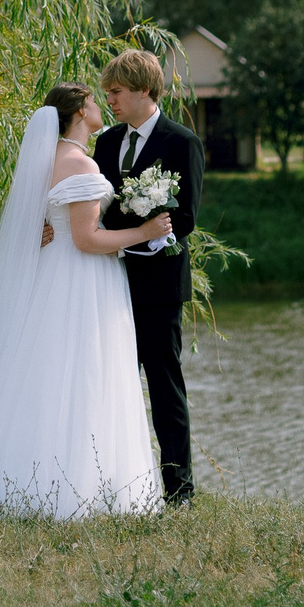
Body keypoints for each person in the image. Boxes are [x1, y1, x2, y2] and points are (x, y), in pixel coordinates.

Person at [0, 83, 174, 518]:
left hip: (52, 274)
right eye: (93, 101)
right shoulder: (81, 164)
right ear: (77, 113)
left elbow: (36, 223)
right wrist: (146, 233)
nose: (100, 107)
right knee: (83, 372)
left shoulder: (47, 160)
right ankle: (78, 485)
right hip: (81, 278)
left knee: (43, 372)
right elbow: (89, 239)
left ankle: (21, 476)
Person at [92, 48, 205, 505]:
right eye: (108, 95)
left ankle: (179, 491)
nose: (111, 102)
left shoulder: (182, 142)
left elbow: (187, 217)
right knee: (106, 384)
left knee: (164, 387)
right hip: (103, 280)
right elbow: (94, 204)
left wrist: (138, 229)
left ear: (143, 89)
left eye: (116, 93)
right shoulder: (106, 141)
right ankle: (104, 486)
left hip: (157, 286)